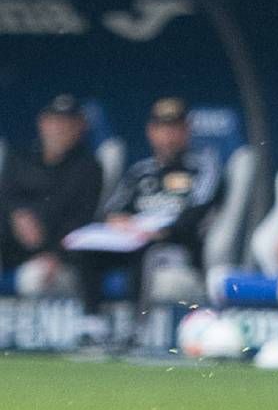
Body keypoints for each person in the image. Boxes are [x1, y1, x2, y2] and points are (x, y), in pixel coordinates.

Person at [74, 98, 224, 325]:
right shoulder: (140, 172)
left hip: (179, 247)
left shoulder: (203, 167)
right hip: (134, 242)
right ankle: (92, 327)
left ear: (186, 132)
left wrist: (160, 232)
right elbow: (112, 209)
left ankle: (138, 330)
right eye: (161, 128)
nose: (168, 135)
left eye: (175, 128)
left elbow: (197, 214)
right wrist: (118, 221)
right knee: (89, 250)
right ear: (150, 132)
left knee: (149, 252)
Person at [0, 96, 103, 298]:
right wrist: (17, 214)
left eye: (68, 123)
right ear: (43, 123)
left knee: (35, 278)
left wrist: (56, 254)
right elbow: (6, 196)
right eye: (55, 121)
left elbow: (82, 220)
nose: (60, 129)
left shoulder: (88, 167)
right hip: (11, 247)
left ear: (80, 127)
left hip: (58, 256)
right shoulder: (19, 157)